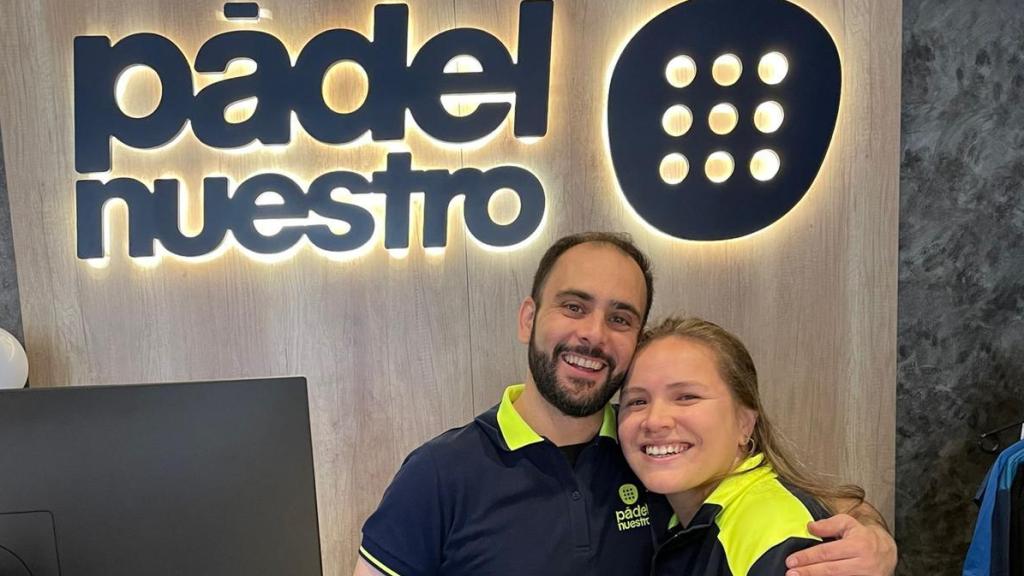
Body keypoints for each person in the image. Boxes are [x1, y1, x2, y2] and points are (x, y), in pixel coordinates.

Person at [354, 232, 896, 576]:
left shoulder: (655, 452)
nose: (593, 335)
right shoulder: (439, 473)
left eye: (620, 318)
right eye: (573, 306)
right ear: (528, 319)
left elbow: (800, 505)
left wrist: (874, 543)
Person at [619, 316, 873, 575]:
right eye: (637, 401)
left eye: (686, 397)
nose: (654, 421)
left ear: (745, 423)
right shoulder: (688, 517)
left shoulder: (774, 534)